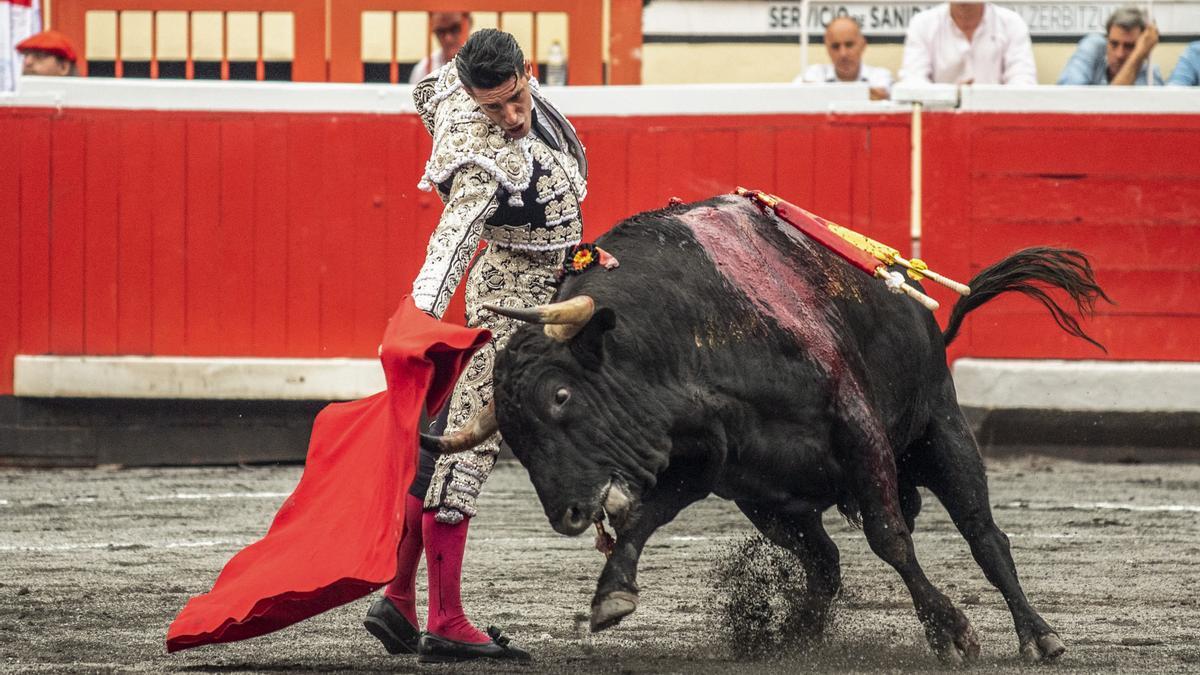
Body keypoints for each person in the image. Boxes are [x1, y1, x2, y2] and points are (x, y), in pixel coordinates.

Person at [363, 28, 587, 664]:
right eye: (493, 108)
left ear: (526, 73)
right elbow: (450, 245)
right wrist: (417, 322)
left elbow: (426, 92)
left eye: (515, 99)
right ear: (473, 97)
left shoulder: (464, 96)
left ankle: (401, 597)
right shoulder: (480, 164)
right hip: (509, 305)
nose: (511, 118)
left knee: (443, 437)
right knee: (468, 444)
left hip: (552, 284)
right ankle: (446, 618)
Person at [899, 2, 1036, 85]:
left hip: (997, 123)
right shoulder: (922, 24)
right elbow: (912, 83)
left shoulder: (1012, 24)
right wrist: (953, 98)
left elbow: (1024, 83)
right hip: (939, 123)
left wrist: (980, 99)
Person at [1057, 6, 1163, 86]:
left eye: (1130, 46)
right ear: (1106, 39)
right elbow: (1068, 98)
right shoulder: (1094, 47)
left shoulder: (1150, 77)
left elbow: (1113, 108)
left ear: (1143, 48)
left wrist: (1137, 57)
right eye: (1114, 44)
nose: (1119, 54)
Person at [795, 16, 893, 100]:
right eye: (835, 46)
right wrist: (867, 94)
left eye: (849, 45)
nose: (843, 54)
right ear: (827, 49)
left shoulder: (879, 76)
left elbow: (883, 94)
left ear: (863, 45)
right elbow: (793, 95)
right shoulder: (814, 74)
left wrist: (820, 93)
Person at [408, 11, 471, 84]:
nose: (448, 38)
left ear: (469, 23)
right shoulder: (423, 70)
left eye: (455, 28)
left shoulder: (484, 63)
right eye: (440, 31)